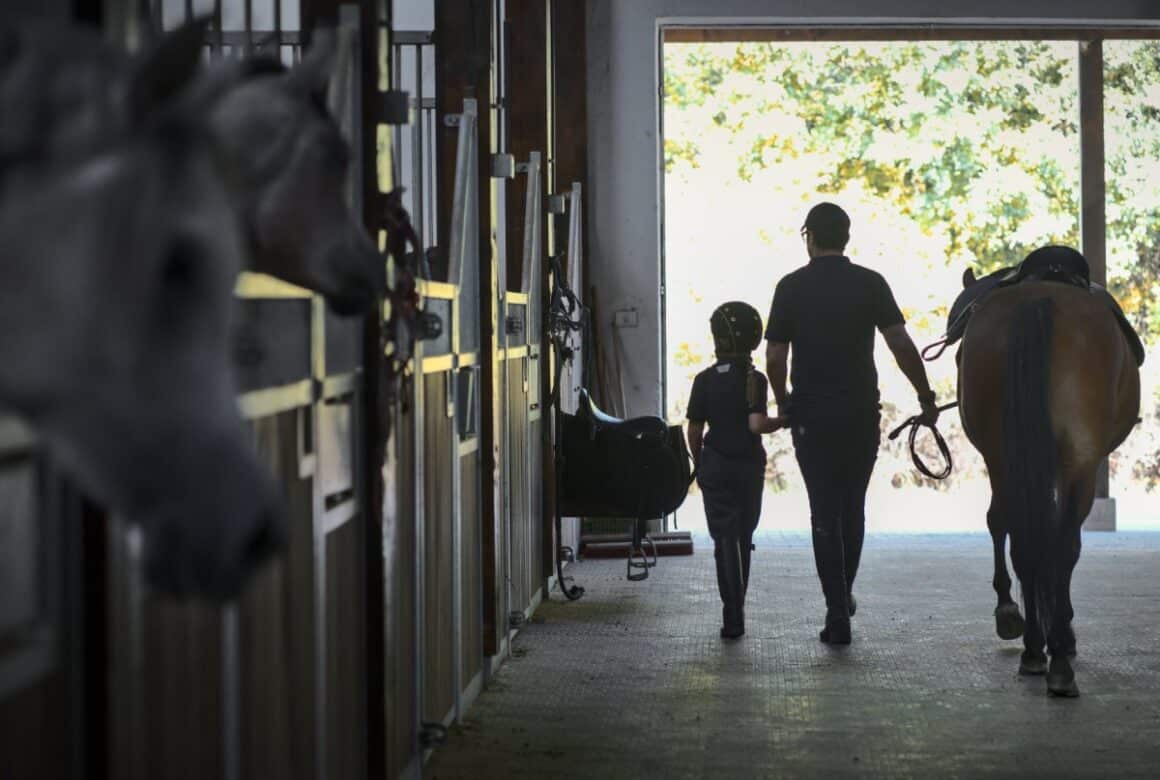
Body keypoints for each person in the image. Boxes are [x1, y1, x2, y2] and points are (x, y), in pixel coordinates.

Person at [765, 203, 939, 645]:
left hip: (811, 417)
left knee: (823, 509)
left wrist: (784, 402)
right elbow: (900, 342)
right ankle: (843, 597)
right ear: (846, 236)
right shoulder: (871, 283)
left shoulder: (790, 287)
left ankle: (836, 609)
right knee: (853, 506)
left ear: (809, 236)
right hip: (860, 414)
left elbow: (775, 355)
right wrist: (925, 394)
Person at [686, 302, 786, 640]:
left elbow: (694, 430)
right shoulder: (754, 379)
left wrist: (699, 463)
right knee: (743, 537)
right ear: (754, 339)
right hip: (748, 466)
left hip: (715, 464)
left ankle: (733, 618)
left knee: (724, 539)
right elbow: (757, 424)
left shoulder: (703, 380)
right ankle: (738, 609)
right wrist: (784, 419)